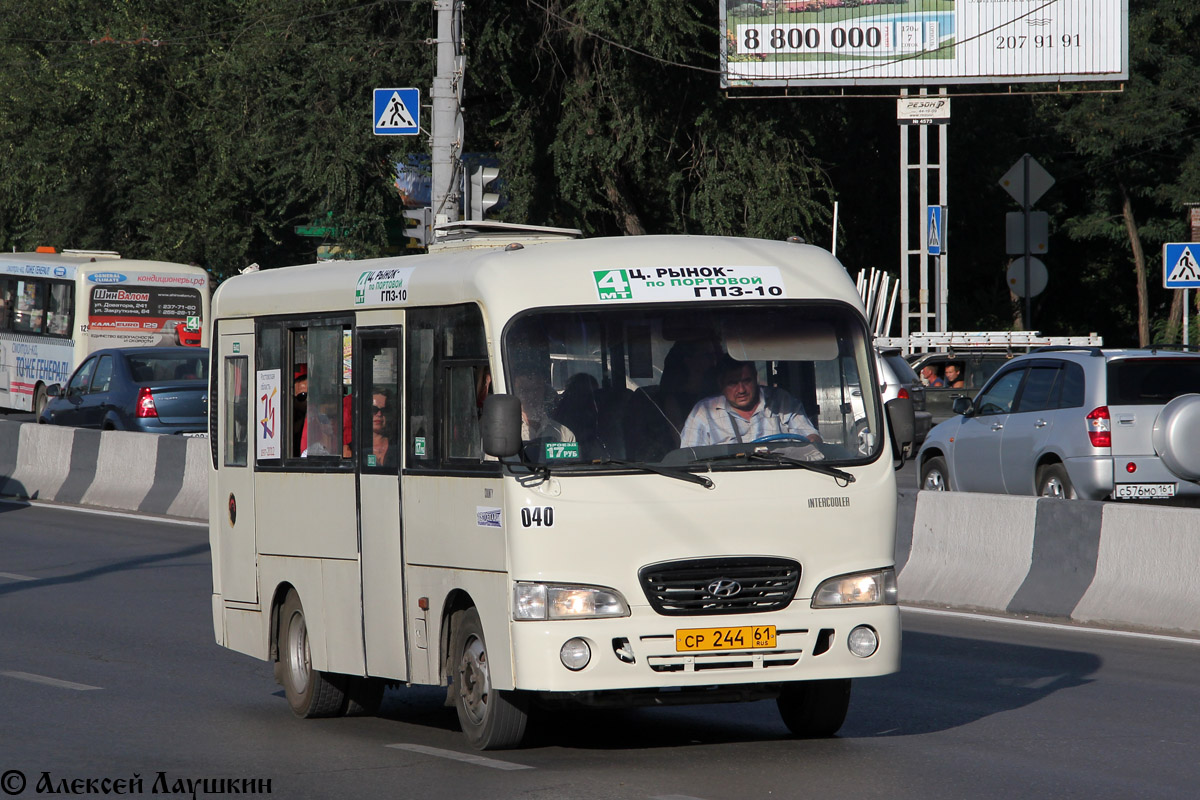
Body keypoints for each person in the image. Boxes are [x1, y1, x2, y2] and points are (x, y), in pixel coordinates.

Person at [679, 356, 821, 447]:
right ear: (721, 384)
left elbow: (811, 439)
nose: (741, 390)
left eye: (746, 381)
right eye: (733, 383)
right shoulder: (704, 412)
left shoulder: (782, 401)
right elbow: (690, 458)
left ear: (756, 378)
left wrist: (813, 442)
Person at [512, 372, 575, 442]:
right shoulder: (506, 431)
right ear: (515, 393)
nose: (532, 396)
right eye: (525, 390)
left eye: (536, 389)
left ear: (544, 391)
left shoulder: (564, 435)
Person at [368, 389, 397, 467]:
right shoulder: (354, 449)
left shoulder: (400, 448)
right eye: (374, 409)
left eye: (384, 410)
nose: (379, 414)